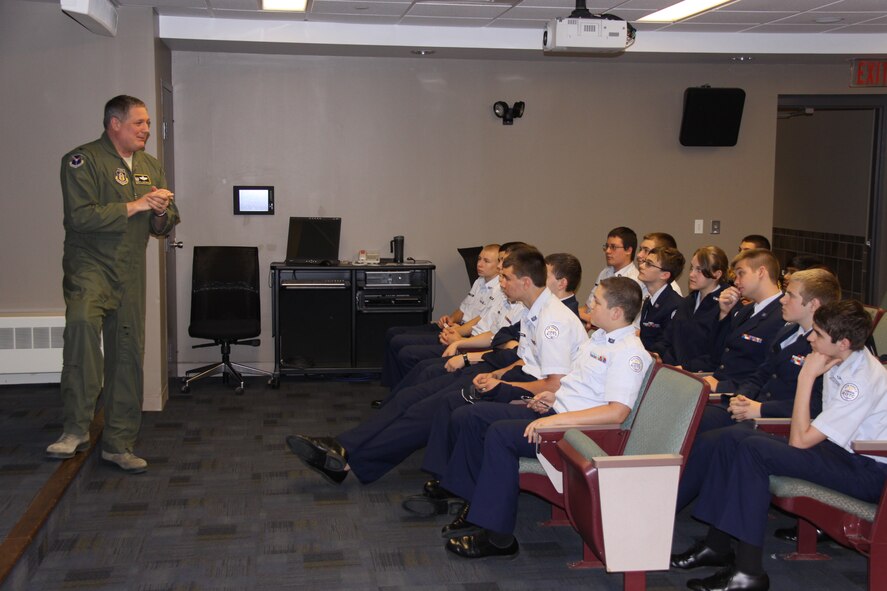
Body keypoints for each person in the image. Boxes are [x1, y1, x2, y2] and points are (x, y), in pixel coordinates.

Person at [285, 246, 587, 486]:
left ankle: (352, 463)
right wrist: (494, 372)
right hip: (508, 374)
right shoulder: (534, 310)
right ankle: (343, 446)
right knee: (410, 398)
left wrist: (501, 382)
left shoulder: (553, 321)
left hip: (526, 390)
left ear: (524, 281)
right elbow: (523, 356)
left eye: (506, 278)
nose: (501, 284)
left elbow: (553, 384)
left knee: (426, 410)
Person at [416, 277, 650, 558]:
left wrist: (553, 421)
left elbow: (617, 412)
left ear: (616, 312)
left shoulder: (628, 354)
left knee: (500, 435)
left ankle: (498, 537)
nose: (590, 305)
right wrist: (551, 398)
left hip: (579, 434)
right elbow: (580, 388)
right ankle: (474, 503)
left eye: (597, 301)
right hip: (559, 412)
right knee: (473, 415)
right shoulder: (598, 339)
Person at [670, 300, 887, 591]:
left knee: (754, 450)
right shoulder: (839, 359)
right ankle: (717, 545)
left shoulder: (859, 381)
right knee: (732, 437)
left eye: (818, 335)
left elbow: (801, 439)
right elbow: (811, 432)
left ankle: (749, 572)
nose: (809, 337)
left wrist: (806, 377)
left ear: (844, 342)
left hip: (865, 470)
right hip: (838, 452)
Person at [46, 95, 180, 474]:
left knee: (127, 354)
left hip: (130, 271)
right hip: (90, 268)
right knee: (82, 334)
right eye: (139, 123)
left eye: (149, 123)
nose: (146, 130)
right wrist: (138, 204)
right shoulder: (82, 161)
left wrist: (158, 214)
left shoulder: (150, 166)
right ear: (114, 124)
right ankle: (75, 429)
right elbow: (81, 217)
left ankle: (119, 443)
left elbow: (167, 221)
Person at [676, 268, 842, 511]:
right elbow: (761, 373)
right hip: (752, 407)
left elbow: (819, 405)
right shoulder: (789, 331)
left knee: (711, 441)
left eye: (790, 296)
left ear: (813, 305)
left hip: (780, 420)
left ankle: (669, 510)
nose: (783, 300)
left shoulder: (825, 347)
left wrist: (760, 409)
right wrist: (743, 397)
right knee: (691, 419)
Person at [381, 243, 501, 388]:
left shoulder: (499, 289)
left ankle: (402, 391)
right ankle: (392, 388)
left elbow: (480, 321)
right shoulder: (479, 281)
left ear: (500, 265)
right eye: (479, 259)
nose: (479, 264)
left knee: (405, 350)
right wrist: (451, 319)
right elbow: (463, 309)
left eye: (486, 261)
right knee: (392, 333)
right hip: (457, 327)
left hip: (466, 336)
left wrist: (456, 332)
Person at [702, 249, 786, 397]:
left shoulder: (782, 316)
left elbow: (765, 373)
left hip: (741, 396)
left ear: (761, 272)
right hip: (721, 385)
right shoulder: (745, 310)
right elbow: (717, 354)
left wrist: (722, 386)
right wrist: (724, 314)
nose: (736, 281)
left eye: (741, 273)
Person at [651, 246, 729, 372]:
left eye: (699, 270)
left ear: (716, 274)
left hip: (698, 374)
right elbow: (668, 338)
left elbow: (716, 355)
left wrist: (683, 368)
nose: (692, 274)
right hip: (672, 369)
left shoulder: (725, 307)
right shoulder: (688, 302)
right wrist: (655, 354)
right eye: (692, 268)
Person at [579, 226, 642, 329]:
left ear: (628, 250)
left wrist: (576, 313)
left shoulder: (633, 281)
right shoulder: (606, 272)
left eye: (613, 247)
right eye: (607, 246)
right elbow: (588, 308)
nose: (608, 251)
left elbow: (614, 323)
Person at [637, 246, 685, 352]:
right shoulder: (649, 301)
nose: (641, 266)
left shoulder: (675, 306)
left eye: (648, 264)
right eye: (644, 262)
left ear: (665, 275)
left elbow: (668, 345)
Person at [636, 231, 682, 296]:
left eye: (646, 250)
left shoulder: (672, 293)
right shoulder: (640, 281)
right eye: (640, 249)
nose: (639, 255)